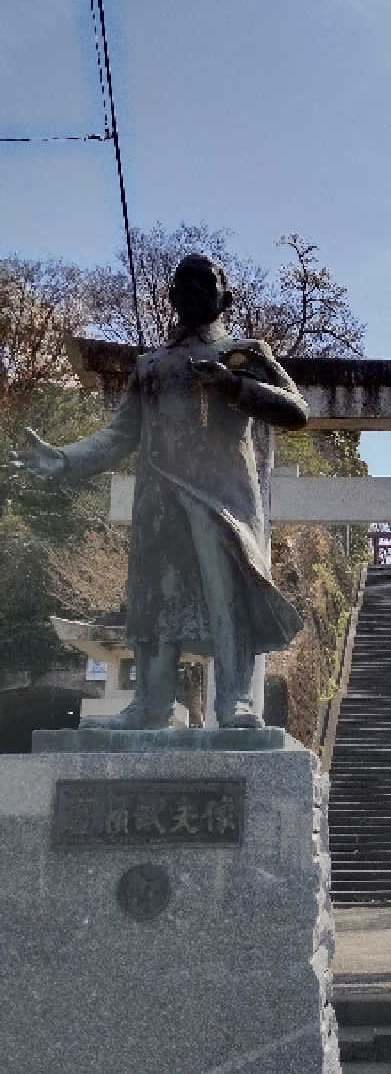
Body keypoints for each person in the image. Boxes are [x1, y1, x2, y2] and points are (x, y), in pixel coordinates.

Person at [12, 253, 309, 729]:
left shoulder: (245, 354)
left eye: (203, 282)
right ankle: (151, 703)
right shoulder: (149, 367)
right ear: (170, 297)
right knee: (155, 598)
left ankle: (234, 701)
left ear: (225, 297)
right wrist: (65, 459)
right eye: (183, 283)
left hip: (222, 497)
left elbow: (297, 410)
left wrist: (233, 385)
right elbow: (118, 436)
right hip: (159, 496)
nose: (192, 290)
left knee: (226, 593)